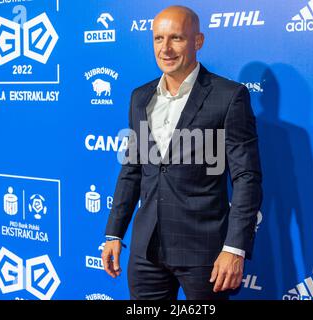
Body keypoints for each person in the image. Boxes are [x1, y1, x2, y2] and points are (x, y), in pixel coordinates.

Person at [102, 5, 262, 300]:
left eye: (176, 38)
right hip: (146, 251)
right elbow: (132, 170)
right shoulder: (140, 97)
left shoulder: (228, 96)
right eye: (158, 39)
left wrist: (234, 248)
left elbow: (246, 177)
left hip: (205, 252)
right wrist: (114, 234)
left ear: (197, 41)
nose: (166, 48)